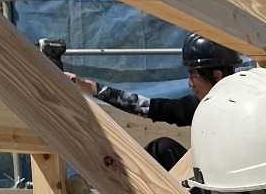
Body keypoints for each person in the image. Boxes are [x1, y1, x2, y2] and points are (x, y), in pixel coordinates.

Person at [67, 31, 243, 129]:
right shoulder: (197, 107)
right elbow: (148, 107)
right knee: (161, 148)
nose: (190, 84)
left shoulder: (247, 110)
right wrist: (93, 88)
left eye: (193, 75)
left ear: (217, 75)